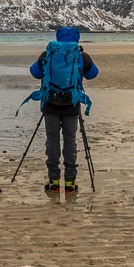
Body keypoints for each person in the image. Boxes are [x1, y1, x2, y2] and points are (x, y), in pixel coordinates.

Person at [29, 27, 99, 193]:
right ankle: (70, 182)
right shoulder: (81, 57)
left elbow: (34, 72)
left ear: (57, 38)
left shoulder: (48, 54)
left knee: (52, 140)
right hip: (72, 105)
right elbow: (93, 74)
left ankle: (53, 181)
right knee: (70, 140)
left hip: (50, 105)